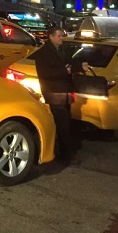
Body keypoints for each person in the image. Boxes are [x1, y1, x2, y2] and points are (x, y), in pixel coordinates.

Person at [33, 26, 88, 165]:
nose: (61, 38)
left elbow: (69, 63)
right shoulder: (43, 53)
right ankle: (64, 154)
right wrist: (66, 71)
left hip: (65, 92)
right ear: (50, 37)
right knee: (63, 123)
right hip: (53, 92)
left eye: (61, 36)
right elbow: (46, 74)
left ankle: (63, 150)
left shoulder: (62, 49)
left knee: (66, 122)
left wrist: (80, 66)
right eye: (58, 36)